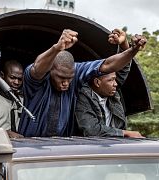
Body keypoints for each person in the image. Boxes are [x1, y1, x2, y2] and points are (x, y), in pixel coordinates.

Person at [18, 29, 147, 137]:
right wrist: (57, 48)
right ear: (50, 71)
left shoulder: (77, 72)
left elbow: (108, 65)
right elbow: (37, 68)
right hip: (31, 148)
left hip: (61, 152)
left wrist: (133, 50)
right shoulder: (35, 83)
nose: (66, 83)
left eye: (69, 79)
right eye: (61, 78)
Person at [75, 29, 144, 138]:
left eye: (115, 79)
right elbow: (91, 130)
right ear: (97, 82)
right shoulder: (83, 97)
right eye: (111, 80)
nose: (115, 84)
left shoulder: (110, 91)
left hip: (114, 146)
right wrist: (124, 133)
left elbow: (123, 67)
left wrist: (124, 44)